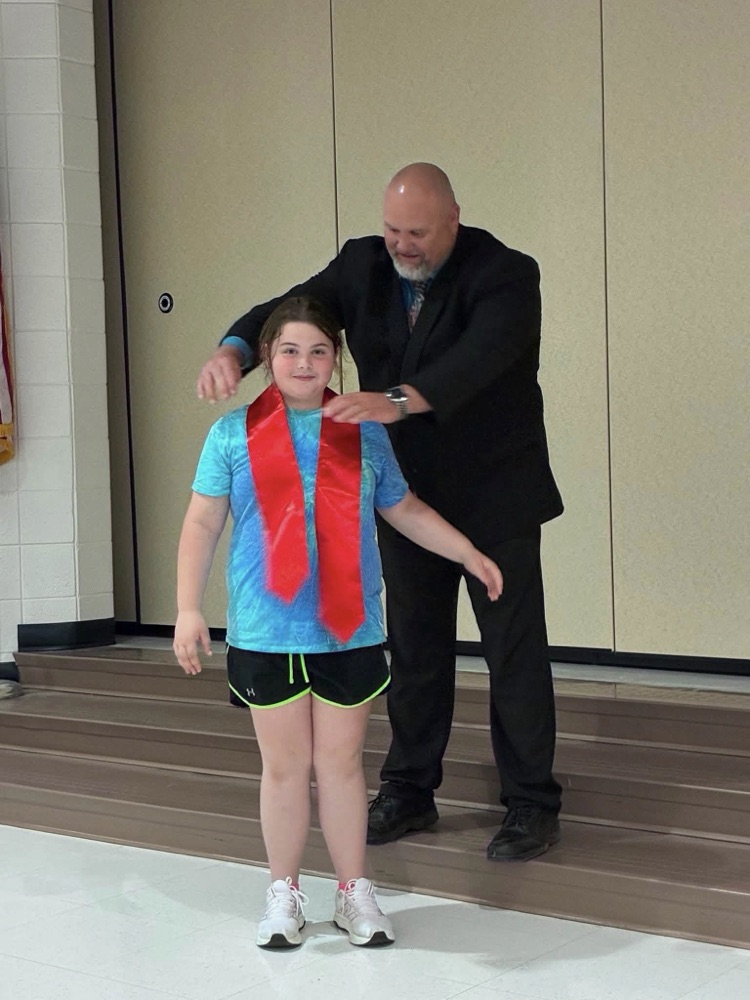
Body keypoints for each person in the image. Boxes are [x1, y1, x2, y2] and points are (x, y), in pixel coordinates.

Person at [196, 162, 564, 862]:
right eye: (393, 229)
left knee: (511, 649)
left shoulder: (507, 274)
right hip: (404, 494)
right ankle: (409, 788)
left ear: (453, 218)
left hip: (495, 493)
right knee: (416, 643)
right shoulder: (362, 262)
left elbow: (478, 363)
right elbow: (289, 310)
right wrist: (234, 349)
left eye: (417, 232)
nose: (402, 244)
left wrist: (392, 401)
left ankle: (531, 801)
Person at [175, 295, 503, 949]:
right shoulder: (231, 434)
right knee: (285, 767)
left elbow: (402, 509)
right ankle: (285, 892)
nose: (304, 362)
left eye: (319, 351)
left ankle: (354, 890)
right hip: (267, 632)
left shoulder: (363, 431)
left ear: (336, 360)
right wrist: (187, 608)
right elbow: (203, 521)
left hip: (349, 630)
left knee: (345, 763)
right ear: (267, 356)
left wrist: (466, 551)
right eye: (290, 350)